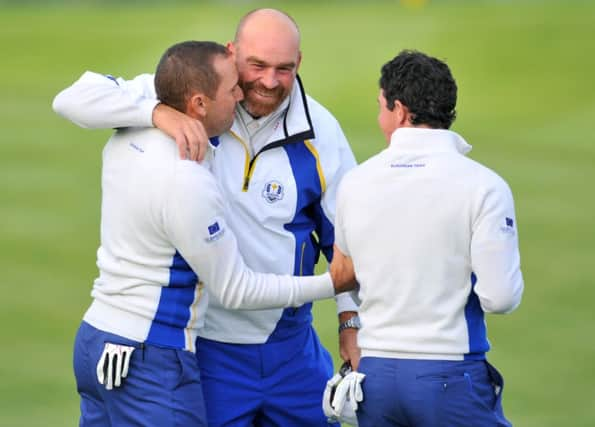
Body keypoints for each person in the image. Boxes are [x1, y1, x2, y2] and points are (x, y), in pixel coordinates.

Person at [52, 8, 360, 427]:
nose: (269, 81)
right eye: (257, 66)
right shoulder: (192, 98)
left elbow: (348, 237)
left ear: (299, 64)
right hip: (206, 348)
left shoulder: (321, 131)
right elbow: (72, 98)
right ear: (232, 54)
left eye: (284, 69)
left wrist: (350, 320)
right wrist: (157, 113)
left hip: (291, 348)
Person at [328, 50, 525, 426]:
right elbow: (500, 298)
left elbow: (345, 273)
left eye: (380, 106)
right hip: (449, 375)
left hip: (376, 379)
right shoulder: (484, 186)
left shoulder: (355, 183)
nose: (379, 117)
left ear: (400, 111)